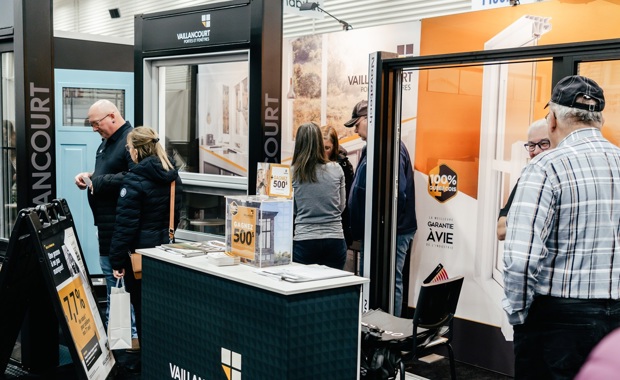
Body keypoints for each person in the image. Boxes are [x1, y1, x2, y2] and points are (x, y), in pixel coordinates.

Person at [503, 75, 620, 379]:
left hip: (558, 321)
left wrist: (519, 315)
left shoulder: (545, 167)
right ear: (600, 119)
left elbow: (521, 259)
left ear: (553, 119)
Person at [109, 126, 182, 373]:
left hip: (139, 257)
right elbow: (176, 215)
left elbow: (125, 225)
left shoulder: (134, 179)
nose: (128, 152)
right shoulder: (172, 176)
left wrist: (117, 260)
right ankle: (164, 361)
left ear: (137, 150)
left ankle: (149, 365)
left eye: (129, 148)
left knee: (142, 309)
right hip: (165, 253)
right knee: (163, 309)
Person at [73, 99, 140, 350]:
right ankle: (120, 344)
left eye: (95, 124)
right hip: (107, 229)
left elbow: (136, 177)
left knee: (121, 293)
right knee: (116, 293)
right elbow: (111, 174)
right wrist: (90, 177)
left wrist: (98, 183)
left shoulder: (132, 141)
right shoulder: (106, 143)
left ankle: (126, 349)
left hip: (121, 231)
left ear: (112, 116)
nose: (93, 129)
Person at [345, 100, 417, 317]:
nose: (355, 130)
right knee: (380, 281)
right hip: (380, 232)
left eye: (356, 124)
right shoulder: (376, 147)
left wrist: (382, 230)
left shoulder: (390, 148)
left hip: (391, 233)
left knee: (391, 282)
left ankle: (389, 337)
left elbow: (398, 196)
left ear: (368, 119)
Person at [291, 122, 347, 269]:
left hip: (305, 240)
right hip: (335, 239)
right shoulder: (336, 169)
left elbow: (294, 209)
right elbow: (341, 206)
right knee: (333, 289)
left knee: (305, 290)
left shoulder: (293, 172)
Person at [496, 119, 550, 241]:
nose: (536, 151)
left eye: (544, 143)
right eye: (531, 145)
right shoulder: (526, 179)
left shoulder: (564, 180)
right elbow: (500, 230)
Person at [322, 125, 355, 247]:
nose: (323, 152)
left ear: (334, 147)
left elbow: (345, 203)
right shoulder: (311, 165)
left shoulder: (343, 166)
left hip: (337, 228)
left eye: (327, 148)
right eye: (320, 147)